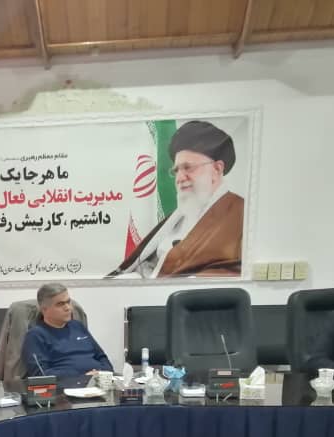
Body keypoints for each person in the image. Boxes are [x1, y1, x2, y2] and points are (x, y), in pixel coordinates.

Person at [106, 120, 244, 278]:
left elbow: (227, 272)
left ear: (217, 169)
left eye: (188, 168)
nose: (180, 178)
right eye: (176, 170)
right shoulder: (180, 216)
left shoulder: (238, 214)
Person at [22, 283, 113, 377]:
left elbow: (102, 358)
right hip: (67, 385)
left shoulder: (78, 326)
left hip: (98, 380)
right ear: (44, 310)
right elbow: (41, 374)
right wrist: (82, 376)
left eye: (68, 302)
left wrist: (101, 373)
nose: (68, 308)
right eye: (60, 304)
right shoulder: (35, 335)